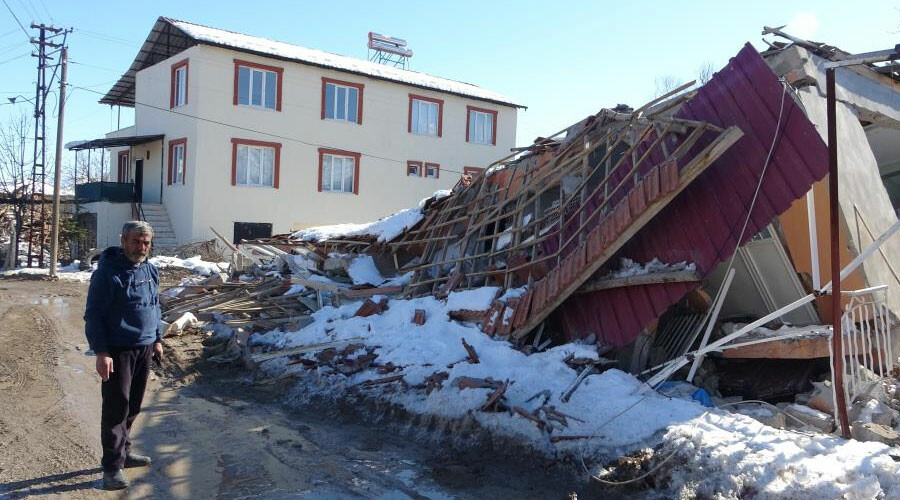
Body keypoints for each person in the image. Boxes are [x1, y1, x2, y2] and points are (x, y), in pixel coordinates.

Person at [84, 221, 163, 490]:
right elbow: (94, 315)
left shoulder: (150, 270)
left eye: (146, 242)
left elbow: (154, 305)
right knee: (116, 409)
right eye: (136, 241)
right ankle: (112, 468)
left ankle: (125, 452)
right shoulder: (107, 274)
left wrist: (157, 338)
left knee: (134, 406)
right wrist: (102, 352)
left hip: (144, 347)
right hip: (118, 349)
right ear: (123, 241)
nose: (141, 247)